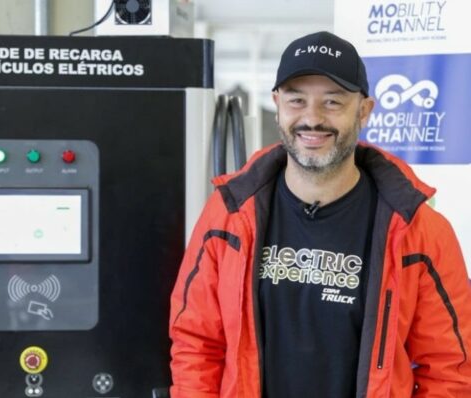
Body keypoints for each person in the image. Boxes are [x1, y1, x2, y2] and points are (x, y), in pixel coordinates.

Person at [169, 31, 471, 398]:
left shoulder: (419, 230)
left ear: (364, 111)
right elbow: (196, 344)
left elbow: (450, 367)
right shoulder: (228, 215)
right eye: (297, 100)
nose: (312, 118)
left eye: (332, 102)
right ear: (277, 104)